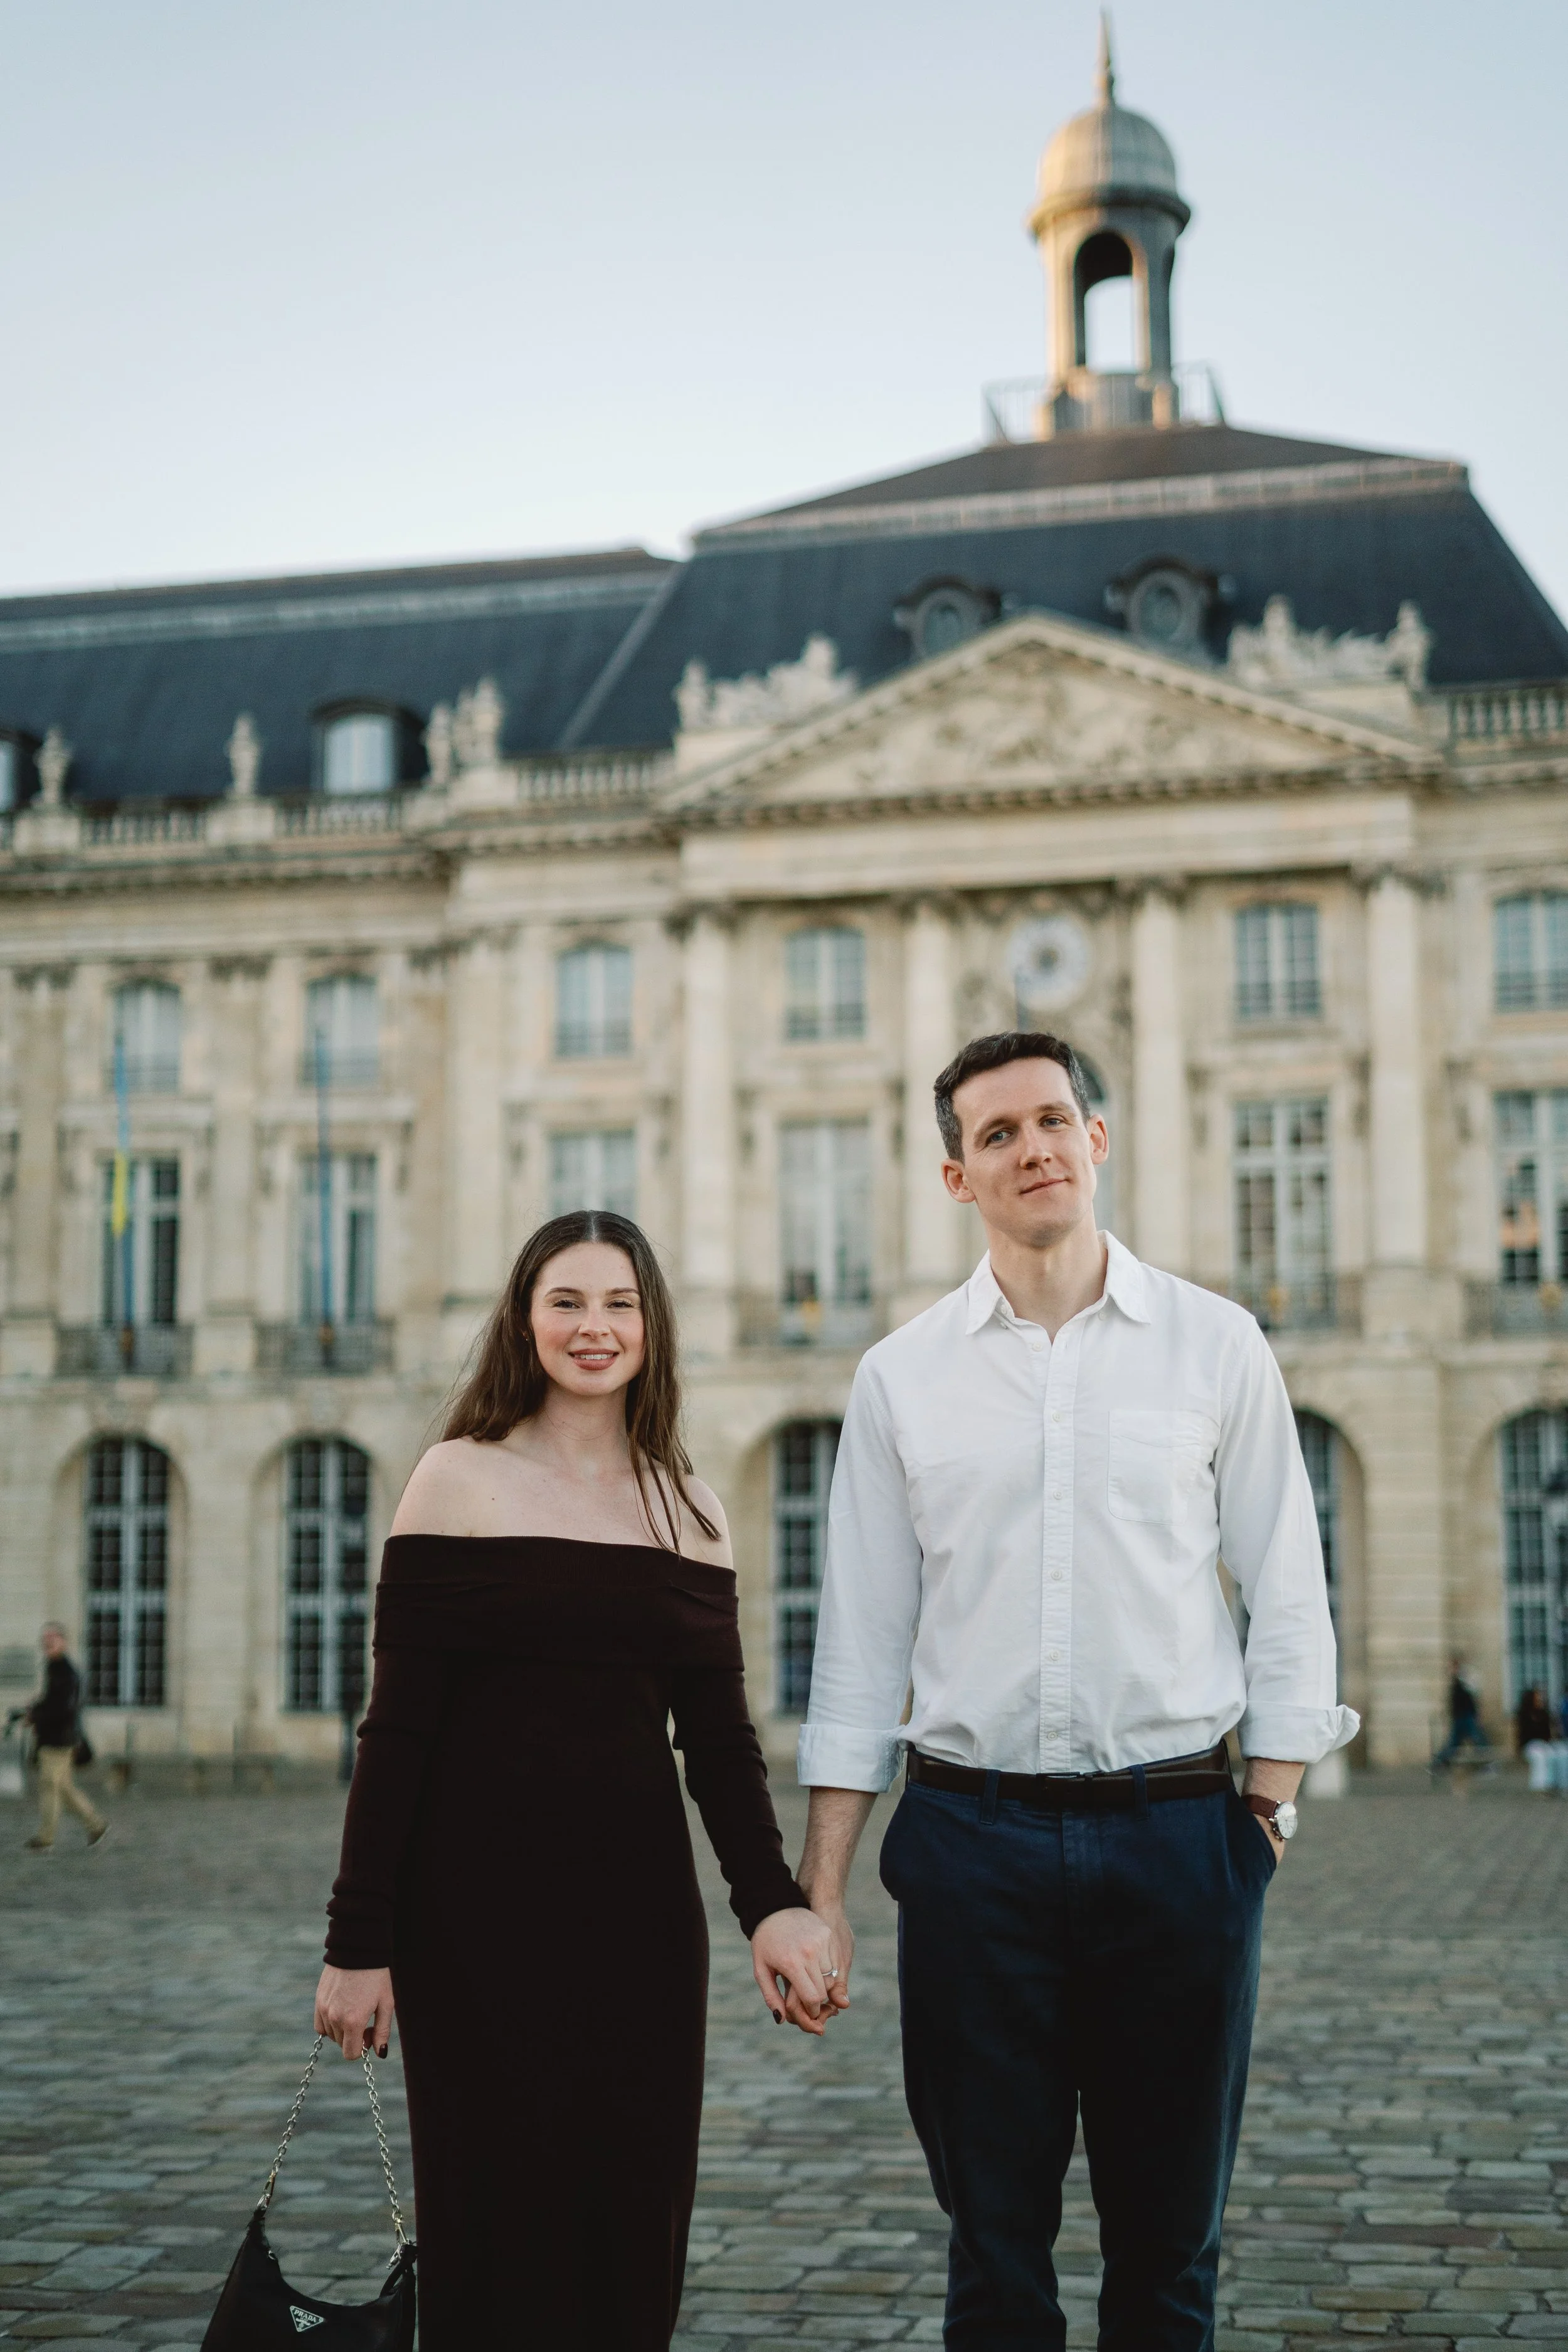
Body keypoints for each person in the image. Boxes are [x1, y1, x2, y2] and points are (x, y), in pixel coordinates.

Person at [795, 1030, 1357, 2352]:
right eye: (996, 1133)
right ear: (955, 1176)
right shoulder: (900, 1378)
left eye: (1052, 1120)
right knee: (990, 2249)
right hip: (967, 1848)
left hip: (1176, 1837)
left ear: (1095, 1142)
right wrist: (819, 1889)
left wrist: (1260, 1821)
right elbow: (861, 1648)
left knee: (1169, 2251)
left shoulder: (1215, 1346)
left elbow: (1286, 1592)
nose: (1032, 1146)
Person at [313, 1210, 838, 2352]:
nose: (594, 1328)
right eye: (568, 1303)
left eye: (620, 1305)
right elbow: (394, 1732)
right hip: (472, 1927)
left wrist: (773, 1905)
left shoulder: (689, 1506)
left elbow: (720, 1740)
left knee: (628, 2228)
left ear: (652, 1327)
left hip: (641, 1930)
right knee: (491, 2231)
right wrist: (359, 1944)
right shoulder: (456, 1478)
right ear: (525, 1320)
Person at [18, 1623, 107, 1853]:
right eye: (45, 1638)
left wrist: (36, 1716)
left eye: (53, 1638)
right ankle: (96, 1825)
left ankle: (46, 1838)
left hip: (58, 1739)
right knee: (63, 1786)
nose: (47, 1642)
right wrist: (34, 1709)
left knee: (49, 1786)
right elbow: (52, 1702)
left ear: (63, 1642)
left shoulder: (66, 1672)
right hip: (54, 1736)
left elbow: (64, 1709)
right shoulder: (54, 1668)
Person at [1434, 1657, 1490, 1766]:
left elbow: (1471, 1697)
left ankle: (1487, 1762)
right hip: (1461, 1715)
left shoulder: (1464, 1679)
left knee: (1476, 1739)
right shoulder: (1457, 1681)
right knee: (1457, 1742)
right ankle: (1440, 1762)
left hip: (1466, 1715)